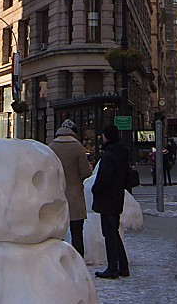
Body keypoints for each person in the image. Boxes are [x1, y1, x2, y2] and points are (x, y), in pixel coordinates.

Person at [90, 124, 138, 279]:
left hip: (107, 199)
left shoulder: (109, 156)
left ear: (107, 137)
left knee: (109, 234)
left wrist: (95, 189)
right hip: (116, 198)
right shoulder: (121, 154)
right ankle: (122, 266)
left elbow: (104, 179)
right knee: (114, 233)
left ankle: (113, 268)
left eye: (103, 135)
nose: (101, 138)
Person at [50, 120, 91, 253]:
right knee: (77, 232)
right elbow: (85, 172)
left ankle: (57, 260)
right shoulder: (78, 147)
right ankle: (77, 261)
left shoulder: (51, 146)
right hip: (74, 196)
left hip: (56, 194)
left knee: (56, 233)